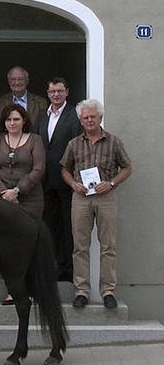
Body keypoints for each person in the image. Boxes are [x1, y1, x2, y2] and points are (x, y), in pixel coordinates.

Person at [60, 99, 132, 309]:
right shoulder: (74, 144)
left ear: (100, 118)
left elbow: (127, 168)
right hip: (81, 198)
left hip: (106, 197)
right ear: (81, 121)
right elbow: (64, 168)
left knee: (108, 246)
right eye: (85, 118)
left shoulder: (114, 142)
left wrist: (110, 183)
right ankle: (82, 290)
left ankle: (108, 291)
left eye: (93, 117)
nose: (89, 120)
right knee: (80, 246)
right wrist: (73, 184)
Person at [0, 103, 46, 305]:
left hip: (29, 199)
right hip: (3, 200)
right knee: (7, 246)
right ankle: (13, 289)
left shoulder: (35, 140)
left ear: (24, 121)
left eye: (16, 119)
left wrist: (18, 190)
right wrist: (4, 192)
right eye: (9, 119)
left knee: (28, 245)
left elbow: (38, 169)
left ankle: (29, 289)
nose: (12, 123)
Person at [35, 77, 82, 282]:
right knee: (49, 226)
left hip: (66, 180)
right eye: (52, 91)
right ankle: (52, 267)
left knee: (68, 227)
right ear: (48, 93)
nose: (56, 95)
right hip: (44, 181)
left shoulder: (74, 116)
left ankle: (68, 269)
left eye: (60, 91)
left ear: (67, 92)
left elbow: (78, 147)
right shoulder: (41, 116)